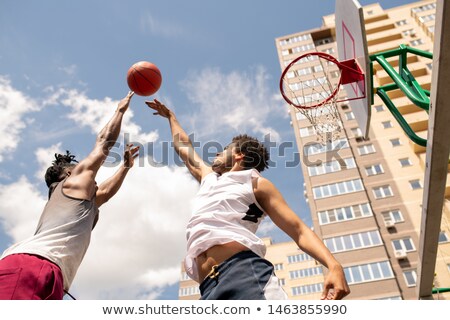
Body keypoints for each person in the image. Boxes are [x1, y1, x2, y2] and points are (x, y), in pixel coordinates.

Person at [146, 99, 350, 300]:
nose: (217, 152)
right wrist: (170, 117)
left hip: (243, 273)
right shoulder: (209, 178)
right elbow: (183, 147)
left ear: (239, 155)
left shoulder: (255, 183)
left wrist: (334, 265)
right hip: (207, 287)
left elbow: (297, 229)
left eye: (224, 149)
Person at [0, 91, 139, 300]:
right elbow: (103, 143)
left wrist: (125, 167)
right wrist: (120, 110)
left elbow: (106, 193)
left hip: (51, 273)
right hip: (31, 265)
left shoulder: (83, 203)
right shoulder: (73, 183)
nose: (91, 178)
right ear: (68, 174)